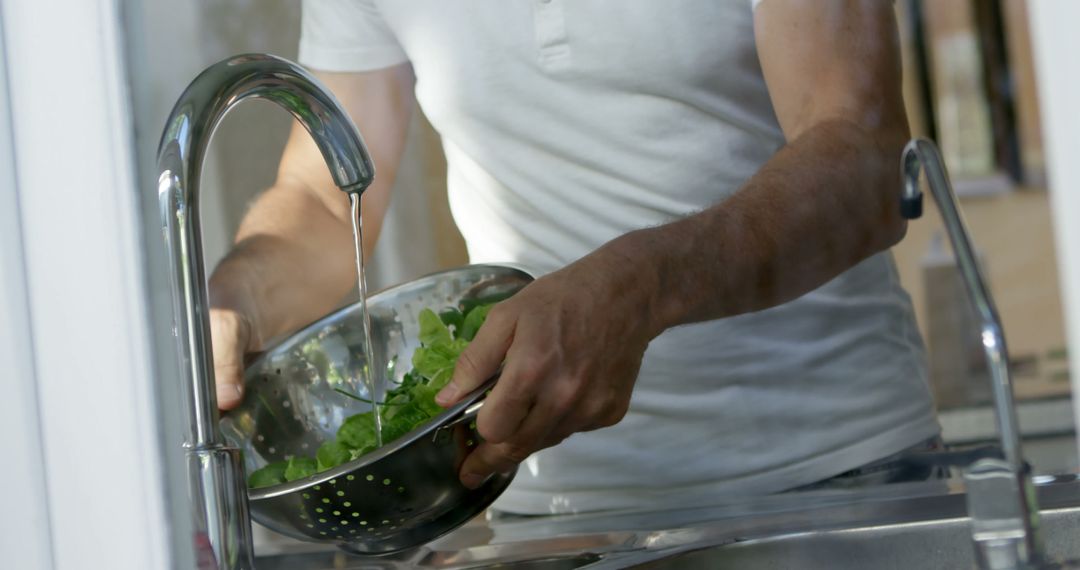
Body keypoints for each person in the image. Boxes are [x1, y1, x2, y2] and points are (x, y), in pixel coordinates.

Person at [209, 0, 940, 515]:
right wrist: (233, 297)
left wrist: (640, 286)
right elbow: (326, 198)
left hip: (836, 474)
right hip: (554, 507)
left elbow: (863, 160)